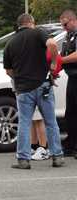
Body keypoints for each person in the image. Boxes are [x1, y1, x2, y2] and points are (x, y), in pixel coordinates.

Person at [3, 13, 64, 169]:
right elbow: (52, 44)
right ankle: (57, 156)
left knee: (24, 123)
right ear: (31, 23)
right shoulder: (38, 32)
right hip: (43, 85)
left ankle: (23, 160)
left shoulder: (10, 43)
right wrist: (54, 64)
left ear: (18, 25)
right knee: (50, 122)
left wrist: (21, 77)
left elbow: (9, 71)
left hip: (23, 89)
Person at [60, 10, 77, 159]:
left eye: (65, 24)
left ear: (73, 20)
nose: (64, 28)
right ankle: (71, 144)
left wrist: (60, 61)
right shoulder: (68, 36)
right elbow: (63, 55)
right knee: (70, 113)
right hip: (72, 78)